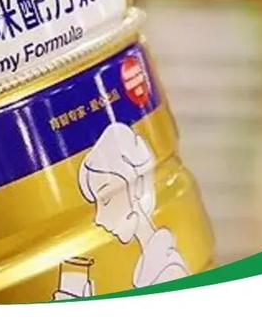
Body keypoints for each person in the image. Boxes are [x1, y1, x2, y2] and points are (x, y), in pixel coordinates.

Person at [79, 123, 189, 287]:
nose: (99, 219)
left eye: (106, 199)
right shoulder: (152, 265)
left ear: (138, 186)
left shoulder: (169, 270)